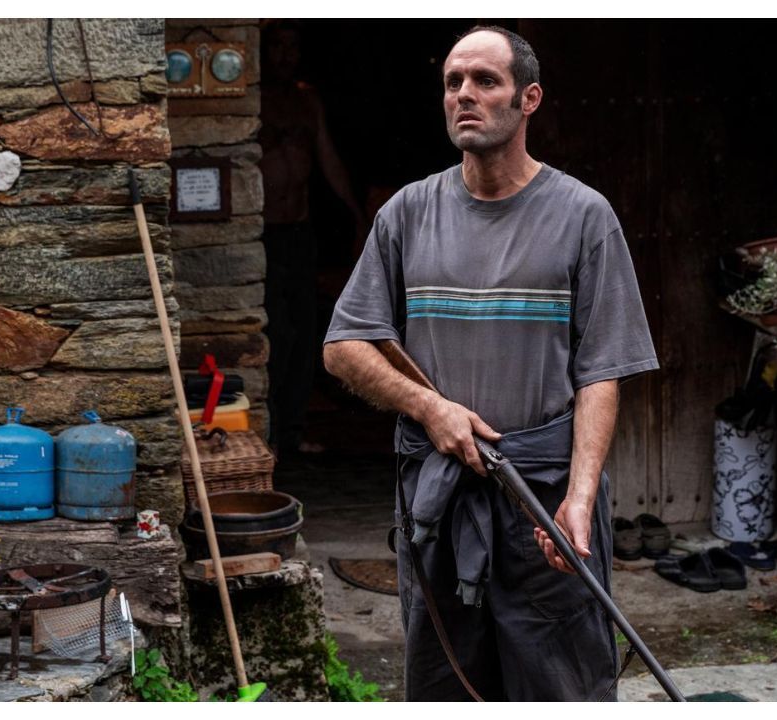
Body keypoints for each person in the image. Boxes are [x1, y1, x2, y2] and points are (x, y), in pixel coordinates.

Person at [321, 26, 658, 701]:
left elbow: (601, 373)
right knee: (447, 684)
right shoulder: (406, 215)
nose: (465, 95)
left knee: (559, 683)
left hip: (543, 498)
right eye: (453, 82)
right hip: (440, 501)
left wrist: (581, 500)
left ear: (528, 98)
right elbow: (343, 347)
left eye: (485, 81)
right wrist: (429, 408)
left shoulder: (584, 217)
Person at [259, 20, 365, 457]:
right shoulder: (253, 100)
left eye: (292, 46)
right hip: (261, 233)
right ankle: (267, 427)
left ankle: (293, 430)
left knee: (304, 332)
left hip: (298, 230)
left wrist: (355, 211)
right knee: (274, 332)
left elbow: (327, 158)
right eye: (277, 46)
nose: (286, 55)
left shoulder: (306, 101)